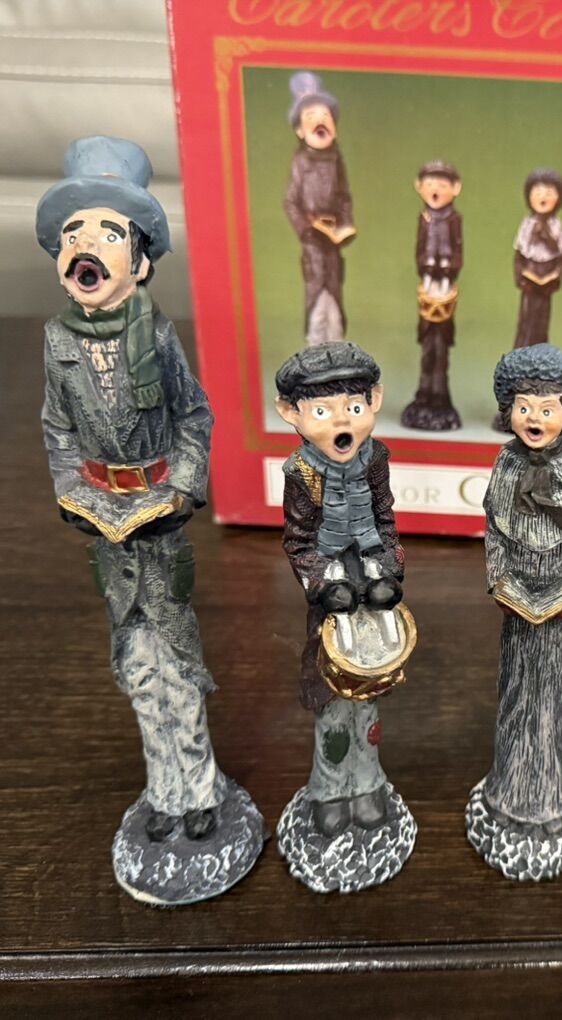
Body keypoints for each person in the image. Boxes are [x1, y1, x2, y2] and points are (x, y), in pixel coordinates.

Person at [36, 135, 265, 904]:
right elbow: (57, 429)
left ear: (139, 262)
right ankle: (163, 793)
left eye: (108, 234)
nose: (86, 248)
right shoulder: (57, 342)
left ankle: (199, 792)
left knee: (175, 661)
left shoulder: (156, 336)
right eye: (73, 235)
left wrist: (183, 489)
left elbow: (194, 416)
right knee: (135, 665)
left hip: (158, 519)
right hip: (105, 524)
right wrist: (71, 491)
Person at [275, 341, 416, 892]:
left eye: (353, 408)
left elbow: (386, 519)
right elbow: (297, 541)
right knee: (333, 698)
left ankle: (368, 781)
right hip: (331, 590)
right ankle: (330, 788)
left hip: (371, 580)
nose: (341, 422)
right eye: (322, 410)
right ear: (292, 414)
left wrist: (390, 570)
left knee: (371, 693)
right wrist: (321, 586)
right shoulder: (301, 473)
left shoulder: (375, 460)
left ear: (374, 402)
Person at [466, 344, 562, 881]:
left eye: (547, 409)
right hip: (516, 598)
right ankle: (509, 788)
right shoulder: (505, 464)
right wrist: (499, 578)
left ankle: (553, 790)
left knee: (549, 694)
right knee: (516, 691)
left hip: (558, 601)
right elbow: (494, 531)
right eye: (525, 407)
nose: (534, 419)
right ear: (509, 411)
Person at [283, 71, 356, 345]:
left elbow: (344, 197)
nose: (320, 122)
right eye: (311, 117)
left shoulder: (337, 160)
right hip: (313, 242)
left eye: (326, 116)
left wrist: (345, 225)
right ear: (300, 131)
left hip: (332, 243)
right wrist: (306, 228)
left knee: (335, 309)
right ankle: (316, 356)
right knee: (317, 306)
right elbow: (290, 201)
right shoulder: (300, 162)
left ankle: (337, 356)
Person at [401, 160, 463, 430]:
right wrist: (424, 266)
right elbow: (419, 248)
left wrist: (450, 268)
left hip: (446, 281)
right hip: (428, 280)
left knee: (441, 346)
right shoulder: (424, 218)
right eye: (430, 184)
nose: (435, 190)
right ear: (419, 187)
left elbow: (458, 250)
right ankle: (425, 391)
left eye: (442, 185)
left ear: (456, 188)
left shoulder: (454, 220)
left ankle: (440, 394)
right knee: (428, 345)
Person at [512, 168, 562, 349]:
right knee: (527, 316)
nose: (543, 197)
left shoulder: (556, 225)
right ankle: (522, 350)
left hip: (547, 274)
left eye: (549, 193)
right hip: (530, 272)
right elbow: (519, 252)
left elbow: (559, 254)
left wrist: (555, 276)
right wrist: (520, 276)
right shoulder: (528, 223)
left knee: (542, 317)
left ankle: (540, 349)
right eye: (537, 192)